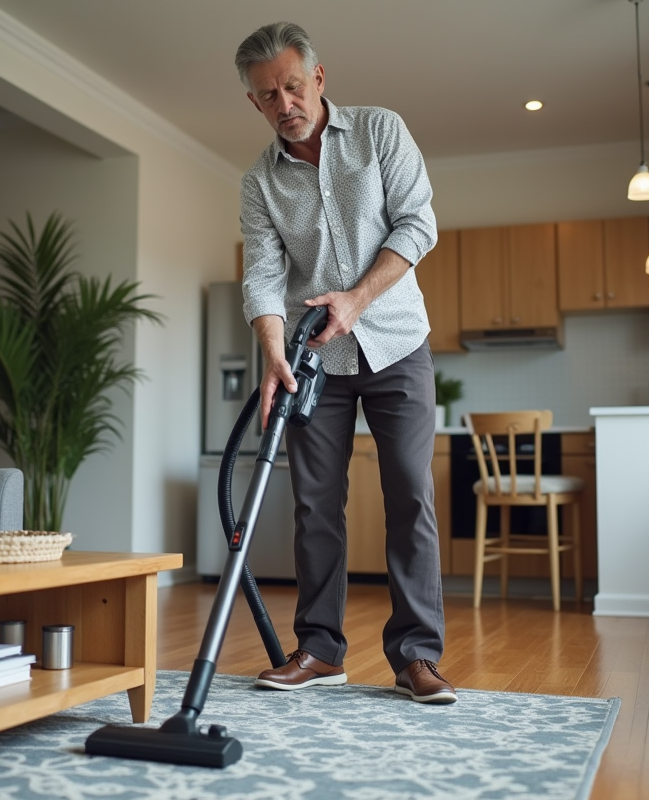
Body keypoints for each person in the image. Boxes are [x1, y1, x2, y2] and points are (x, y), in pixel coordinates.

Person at [234, 21, 456, 704]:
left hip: (396, 343)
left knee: (409, 495)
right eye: (269, 95)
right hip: (315, 361)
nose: (285, 103)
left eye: (294, 86)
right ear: (255, 103)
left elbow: (418, 223)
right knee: (315, 506)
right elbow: (263, 276)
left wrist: (357, 299)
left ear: (319, 78)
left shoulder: (381, 132)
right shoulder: (258, 183)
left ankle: (416, 656)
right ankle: (320, 650)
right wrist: (274, 352)